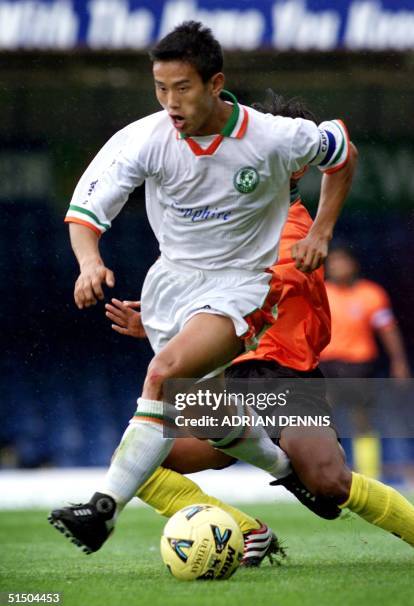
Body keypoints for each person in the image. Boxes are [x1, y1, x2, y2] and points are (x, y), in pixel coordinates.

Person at [49, 22, 356, 554]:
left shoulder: (275, 146)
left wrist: (325, 232)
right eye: (160, 88)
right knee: (186, 432)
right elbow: (87, 209)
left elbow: (342, 150)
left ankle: (101, 511)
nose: (169, 101)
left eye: (182, 87)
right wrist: (88, 262)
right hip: (175, 289)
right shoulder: (145, 138)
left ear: (216, 84)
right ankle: (279, 483)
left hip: (262, 336)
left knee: (164, 378)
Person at [107, 92, 414, 551]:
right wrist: (161, 320)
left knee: (329, 482)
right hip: (229, 377)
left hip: (281, 378)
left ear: (293, 164)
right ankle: (247, 531)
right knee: (141, 461)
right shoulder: (230, 223)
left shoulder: (293, 227)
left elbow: (250, 293)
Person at [320, 246, 411, 478]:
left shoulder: (370, 294)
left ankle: (368, 475)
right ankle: (325, 471)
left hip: (358, 366)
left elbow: (387, 330)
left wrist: (398, 361)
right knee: (321, 417)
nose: (337, 266)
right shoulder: (321, 292)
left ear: (353, 264)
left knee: (361, 419)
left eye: (341, 261)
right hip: (327, 365)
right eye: (333, 262)